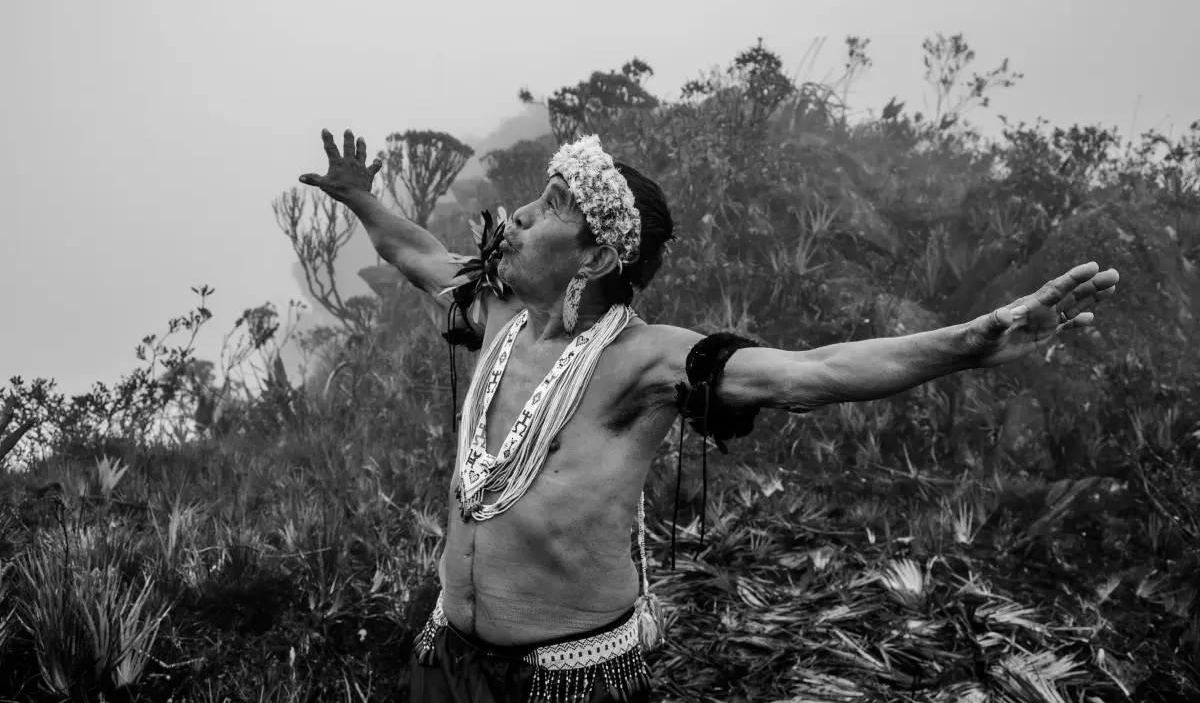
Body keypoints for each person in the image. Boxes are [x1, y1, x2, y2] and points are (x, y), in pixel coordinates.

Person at [299, 129, 1119, 703]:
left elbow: (813, 372)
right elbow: (414, 252)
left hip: (566, 678)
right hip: (449, 658)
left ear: (593, 255)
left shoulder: (642, 361)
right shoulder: (495, 314)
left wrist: (969, 344)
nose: (514, 215)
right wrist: (361, 198)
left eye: (548, 206)